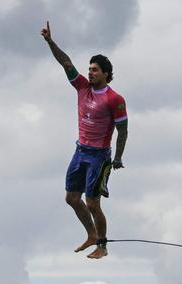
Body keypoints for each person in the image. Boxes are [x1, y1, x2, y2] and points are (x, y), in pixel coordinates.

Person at [41, 21, 128, 259]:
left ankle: (102, 245)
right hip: (80, 151)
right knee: (71, 198)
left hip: (99, 156)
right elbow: (66, 63)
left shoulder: (114, 99)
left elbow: (123, 130)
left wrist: (118, 158)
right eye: (89, 69)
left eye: (95, 70)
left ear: (106, 74)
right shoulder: (82, 87)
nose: (90, 73)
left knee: (92, 203)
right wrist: (50, 42)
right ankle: (91, 234)